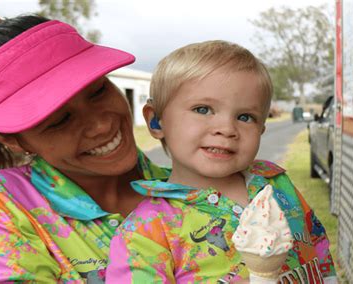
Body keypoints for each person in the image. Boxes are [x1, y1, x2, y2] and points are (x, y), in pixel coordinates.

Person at [0, 14, 170, 282]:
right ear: (11, 139)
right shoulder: (1, 205)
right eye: (60, 121)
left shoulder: (192, 188)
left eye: (99, 91)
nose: (100, 125)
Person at [106, 41, 337, 283]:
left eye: (245, 117)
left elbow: (317, 246)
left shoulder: (275, 182)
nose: (227, 129)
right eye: (203, 109)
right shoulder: (146, 232)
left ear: (261, 127)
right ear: (156, 122)